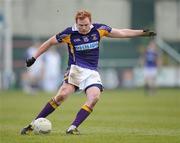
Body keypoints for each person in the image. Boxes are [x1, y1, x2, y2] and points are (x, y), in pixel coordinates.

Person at [20, 10, 156, 135]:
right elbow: (50, 42)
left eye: (85, 25)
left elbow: (122, 32)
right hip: (75, 69)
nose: (83, 28)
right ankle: (32, 125)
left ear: (90, 22)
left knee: (94, 97)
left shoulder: (99, 29)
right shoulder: (69, 33)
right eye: (80, 25)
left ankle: (72, 128)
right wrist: (34, 57)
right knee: (62, 95)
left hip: (91, 72)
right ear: (76, 23)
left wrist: (142, 32)